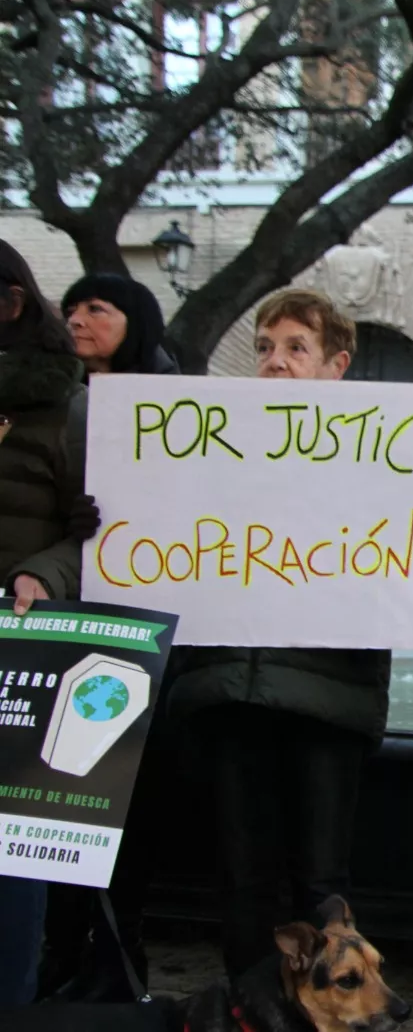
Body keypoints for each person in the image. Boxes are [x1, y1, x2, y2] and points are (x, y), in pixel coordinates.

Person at [162, 290, 391, 979]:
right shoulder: (213, 444)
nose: (275, 363)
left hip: (327, 695)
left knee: (322, 880)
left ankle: (329, 1010)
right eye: (264, 348)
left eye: (296, 348)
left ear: (336, 364)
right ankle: (247, 1013)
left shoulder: (383, 454)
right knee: (242, 877)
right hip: (233, 687)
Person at [40, 273, 181, 1004]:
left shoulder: (182, 408)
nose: (78, 319)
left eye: (98, 308)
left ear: (138, 322)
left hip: (152, 641)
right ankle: (66, 956)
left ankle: (120, 961)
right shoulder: (62, 402)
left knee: (133, 818)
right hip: (73, 631)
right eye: (71, 307)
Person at [0, 239, 96, 1009]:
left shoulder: (69, 407)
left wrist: (43, 575)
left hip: (23, 649)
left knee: (11, 854)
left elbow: (93, 530)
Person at [61, 273, 180, 378]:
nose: (74, 320)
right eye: (70, 312)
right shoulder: (54, 393)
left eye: (95, 309)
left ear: (135, 322)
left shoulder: (174, 395)